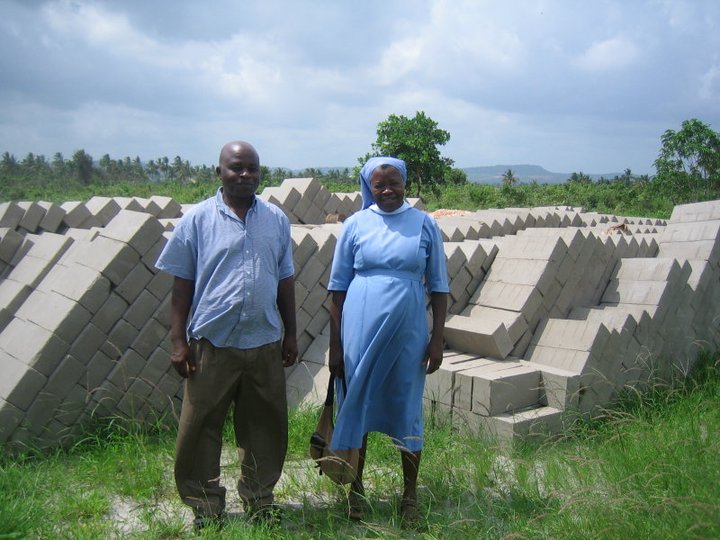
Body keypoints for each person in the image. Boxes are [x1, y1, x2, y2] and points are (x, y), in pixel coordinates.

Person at [155, 140, 298, 531]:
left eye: (252, 168)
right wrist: (178, 342)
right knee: (201, 427)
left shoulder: (276, 219)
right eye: (236, 167)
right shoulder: (197, 220)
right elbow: (181, 285)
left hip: (264, 341)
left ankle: (260, 499)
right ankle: (205, 506)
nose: (245, 175)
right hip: (212, 344)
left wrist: (290, 334)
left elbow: (285, 279)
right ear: (219, 171)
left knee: (265, 427)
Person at [327, 156, 449, 526]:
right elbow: (337, 289)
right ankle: (356, 490)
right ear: (369, 187)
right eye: (378, 185)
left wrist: (437, 339)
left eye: (394, 182)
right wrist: (335, 346)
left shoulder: (425, 224)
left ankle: (409, 496)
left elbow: (439, 286)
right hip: (359, 332)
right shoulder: (355, 225)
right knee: (357, 404)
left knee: (406, 407)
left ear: (405, 183)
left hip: (408, 332)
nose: (387, 190)